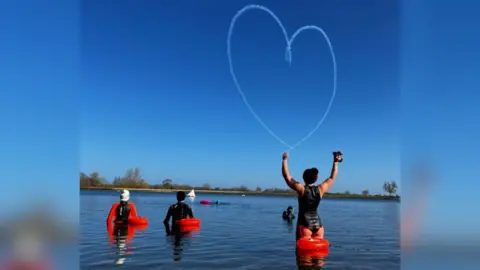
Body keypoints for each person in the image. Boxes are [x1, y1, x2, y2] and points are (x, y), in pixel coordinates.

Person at [282, 151, 343, 240]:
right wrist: (336, 162)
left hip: (305, 225)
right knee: (318, 252)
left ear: (304, 178)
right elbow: (332, 177)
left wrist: (284, 160)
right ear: (316, 179)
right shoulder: (321, 189)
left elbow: (287, 177)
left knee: (302, 253)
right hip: (319, 226)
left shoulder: (301, 189)